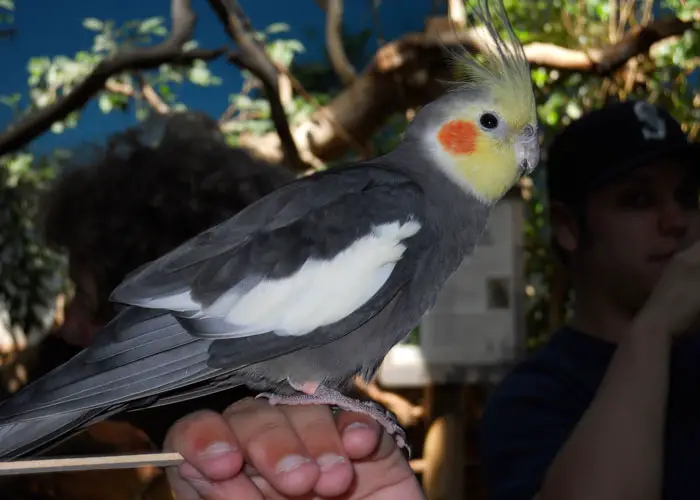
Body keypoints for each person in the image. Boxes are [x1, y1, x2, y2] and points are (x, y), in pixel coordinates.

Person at [478, 99, 700, 500]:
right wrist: (654, 328)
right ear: (568, 228)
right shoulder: (534, 399)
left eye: (686, 197)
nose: (676, 221)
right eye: (638, 200)